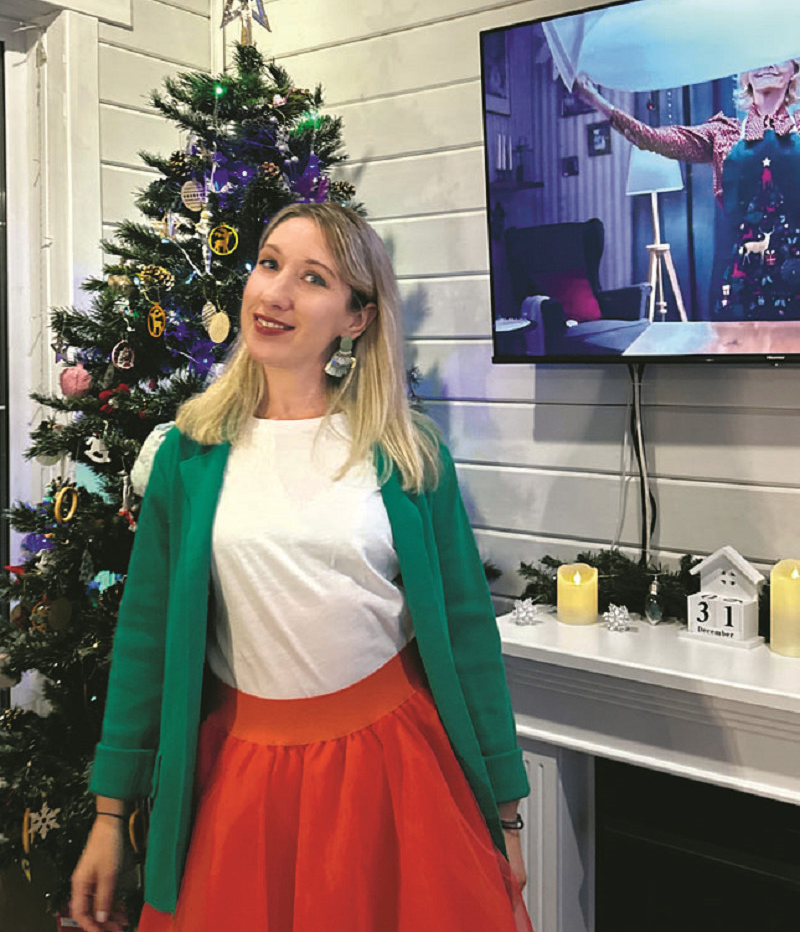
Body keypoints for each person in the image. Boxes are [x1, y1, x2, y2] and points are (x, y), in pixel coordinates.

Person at [70, 202, 533, 932]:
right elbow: (146, 636)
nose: (276, 292)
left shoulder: (407, 455)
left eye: (313, 278)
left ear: (356, 318)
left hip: (395, 774)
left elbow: (469, 634)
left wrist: (505, 814)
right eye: (268, 263)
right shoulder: (187, 455)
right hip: (240, 777)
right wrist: (109, 813)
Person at [576, 62, 800, 320]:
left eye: (776, 56)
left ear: (794, 70)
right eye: (756, 59)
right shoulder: (722, 132)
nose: (766, 64)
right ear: (745, 75)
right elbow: (650, 138)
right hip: (737, 277)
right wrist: (593, 98)